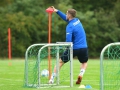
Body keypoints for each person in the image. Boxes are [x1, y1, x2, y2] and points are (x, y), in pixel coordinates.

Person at [49, 6, 88, 84]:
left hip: (74, 48)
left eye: (66, 13)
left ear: (69, 15)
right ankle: (81, 74)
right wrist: (57, 11)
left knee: (60, 62)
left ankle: (51, 79)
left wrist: (65, 47)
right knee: (84, 62)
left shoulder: (69, 26)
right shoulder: (77, 20)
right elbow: (66, 18)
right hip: (84, 48)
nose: (66, 15)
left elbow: (68, 40)